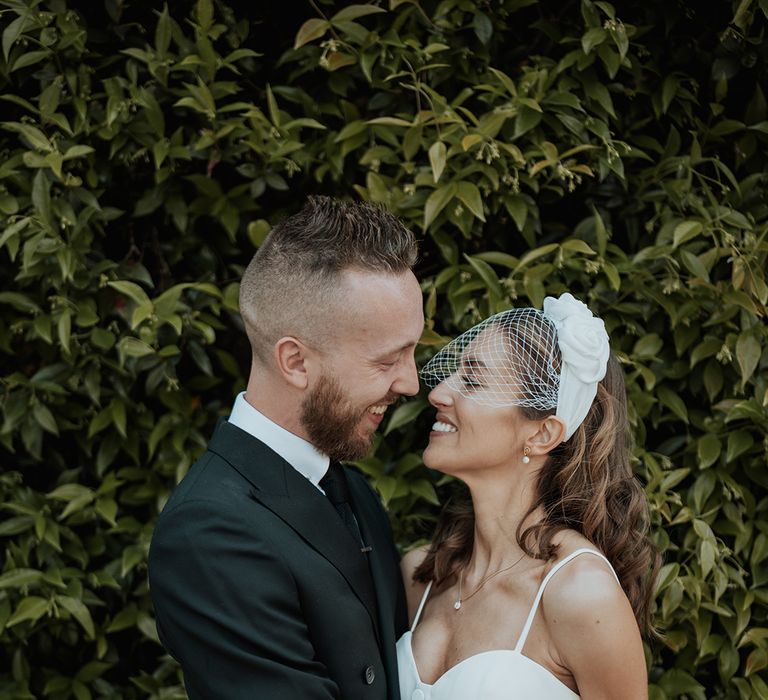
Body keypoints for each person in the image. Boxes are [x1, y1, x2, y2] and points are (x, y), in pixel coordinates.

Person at [149, 196, 425, 699]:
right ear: (295, 361)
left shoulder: (350, 488)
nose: (410, 383)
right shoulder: (208, 534)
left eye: (413, 351)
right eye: (387, 361)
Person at [397, 293, 658, 699]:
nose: (438, 392)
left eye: (473, 379)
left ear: (541, 434)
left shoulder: (580, 592)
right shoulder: (423, 575)